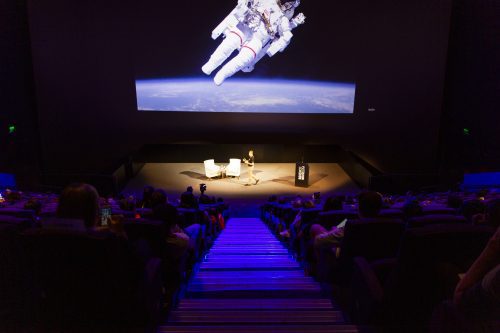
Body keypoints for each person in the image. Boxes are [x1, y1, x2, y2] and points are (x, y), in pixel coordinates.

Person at [201, 0, 305, 85]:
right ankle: (211, 65)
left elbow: (285, 32)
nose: (286, 5)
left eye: (289, 5)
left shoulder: (283, 19)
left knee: (244, 59)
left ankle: (222, 74)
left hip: (258, 39)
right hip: (245, 27)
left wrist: (293, 25)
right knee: (229, 44)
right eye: (286, 2)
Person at [310, 191, 383, 251]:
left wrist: (333, 232)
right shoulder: (388, 224)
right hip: (372, 261)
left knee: (315, 227)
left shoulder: (351, 226)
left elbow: (318, 241)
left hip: (352, 263)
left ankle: (317, 267)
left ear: (359, 208)